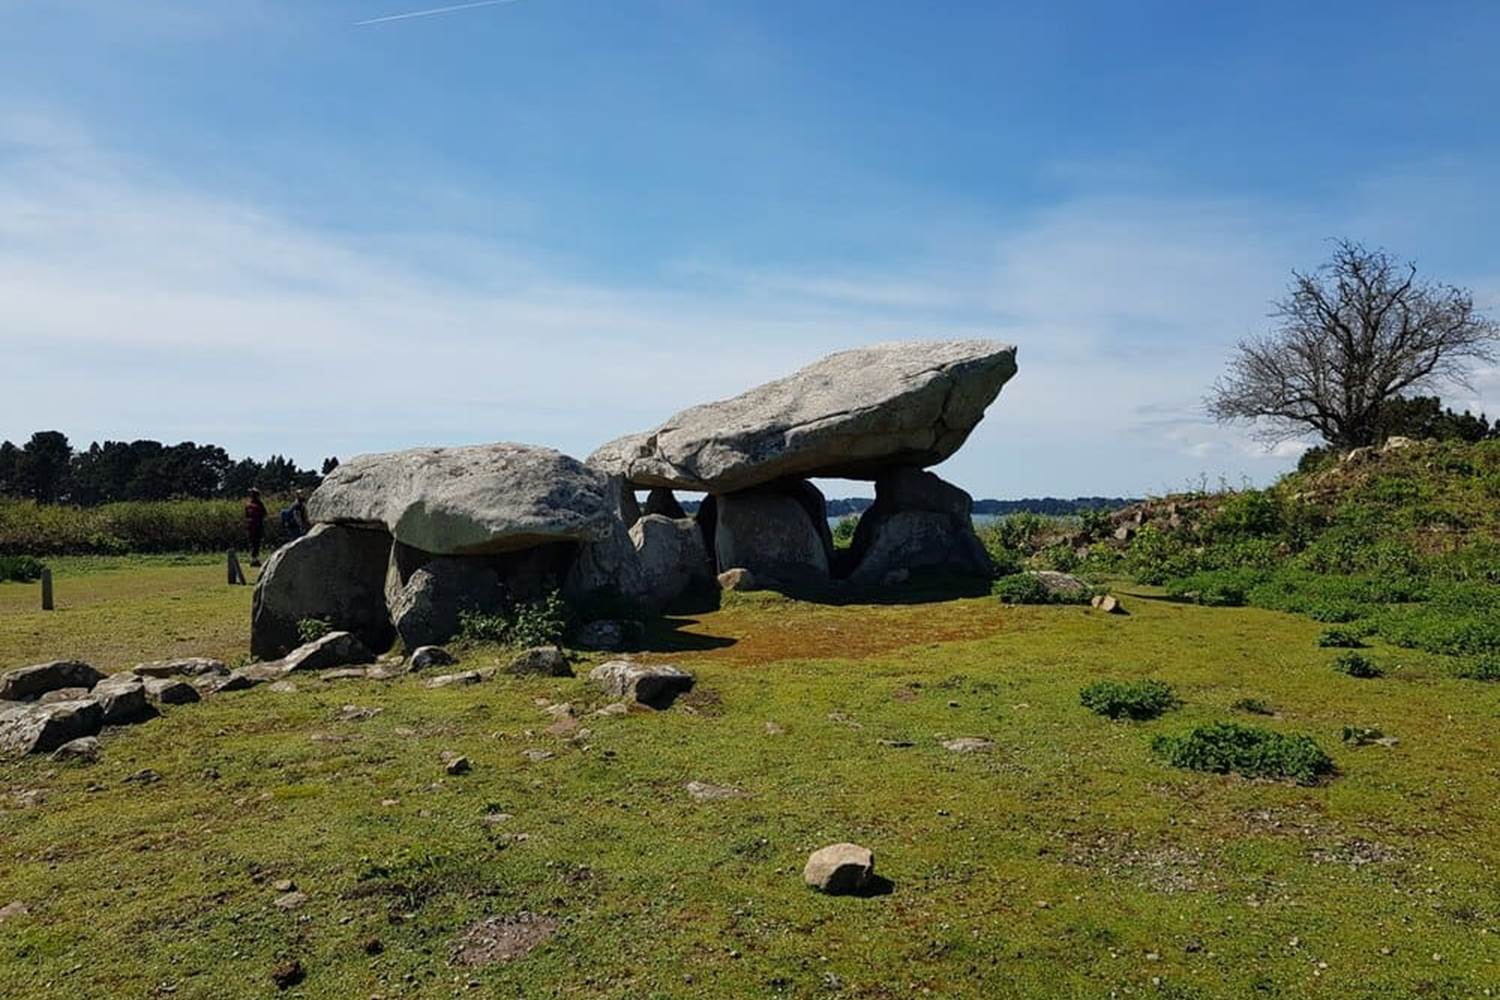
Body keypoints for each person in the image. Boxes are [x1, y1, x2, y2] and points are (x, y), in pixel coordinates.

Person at [245, 488, 267, 566]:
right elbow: (264, 514)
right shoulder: (259, 504)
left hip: (250, 527)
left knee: (252, 543)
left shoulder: (248, 505)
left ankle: (253, 559)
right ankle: (255, 560)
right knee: (257, 544)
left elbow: (246, 516)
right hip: (258, 526)